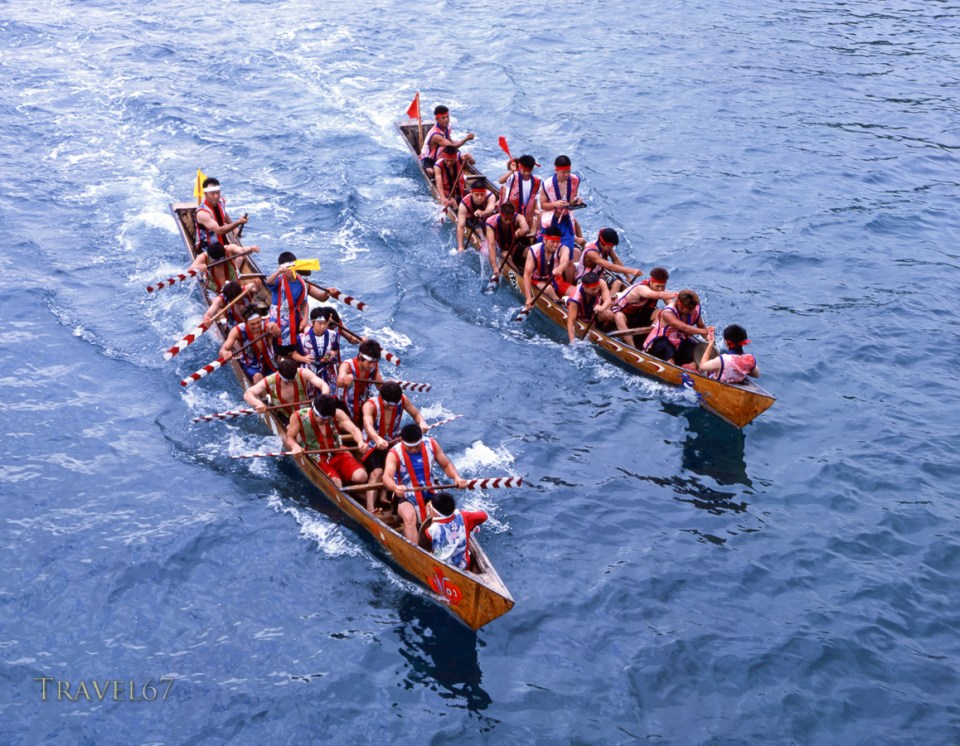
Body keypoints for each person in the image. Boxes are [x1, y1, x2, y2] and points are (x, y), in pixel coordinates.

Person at [382, 424, 467, 543]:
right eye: (409, 447)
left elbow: (446, 465)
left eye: (416, 446)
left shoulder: (431, 444)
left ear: (421, 439)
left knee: (444, 513)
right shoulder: (394, 453)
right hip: (405, 494)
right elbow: (386, 477)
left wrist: (456, 477)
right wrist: (395, 487)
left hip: (430, 490)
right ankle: (413, 550)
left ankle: (449, 542)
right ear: (402, 441)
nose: (413, 450)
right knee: (409, 516)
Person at [360, 381, 429, 512]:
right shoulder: (370, 405)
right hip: (371, 444)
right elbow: (368, 425)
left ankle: (386, 496)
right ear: (381, 397)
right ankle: (370, 509)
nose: (391, 408)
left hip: (392, 442)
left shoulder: (403, 400)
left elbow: (416, 414)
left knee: (405, 466)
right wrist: (377, 439)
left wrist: (422, 422)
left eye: (394, 405)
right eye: (388, 404)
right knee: (378, 472)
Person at [284, 394, 369, 493]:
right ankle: (341, 484)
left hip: (337, 451)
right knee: (336, 484)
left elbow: (354, 430)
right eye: (323, 418)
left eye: (328, 418)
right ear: (314, 412)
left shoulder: (338, 414)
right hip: (317, 457)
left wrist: (360, 441)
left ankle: (348, 485)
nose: (326, 421)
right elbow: (289, 437)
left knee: (362, 476)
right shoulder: (299, 416)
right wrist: (295, 446)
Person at [264, 251, 331, 353]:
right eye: (286, 269)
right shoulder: (278, 280)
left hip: (293, 316)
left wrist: (305, 319)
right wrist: (278, 272)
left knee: (302, 334)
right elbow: (268, 282)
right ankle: (277, 353)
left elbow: (304, 302)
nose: (289, 271)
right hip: (277, 316)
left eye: (291, 268)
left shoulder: (301, 283)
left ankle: (299, 352)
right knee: (276, 334)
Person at [300, 306, 362, 397]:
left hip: (331, 363)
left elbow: (351, 339)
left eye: (327, 324)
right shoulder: (309, 331)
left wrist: (361, 340)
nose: (324, 327)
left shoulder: (336, 326)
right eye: (322, 324)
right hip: (313, 366)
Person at [610, 267, 678, 349]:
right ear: (651, 281)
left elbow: (671, 305)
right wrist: (676, 294)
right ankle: (632, 348)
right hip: (624, 315)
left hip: (639, 316)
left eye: (663, 286)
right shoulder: (641, 288)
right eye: (658, 286)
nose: (660, 289)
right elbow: (655, 295)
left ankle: (649, 341)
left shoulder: (660, 291)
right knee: (618, 316)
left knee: (662, 313)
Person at [419, 492, 488, 571]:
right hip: (464, 565)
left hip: (442, 569)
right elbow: (484, 516)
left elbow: (428, 546)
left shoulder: (430, 531)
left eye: (430, 507)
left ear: (436, 513)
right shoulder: (464, 516)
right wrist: (471, 526)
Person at [642, 289, 711, 367]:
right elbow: (685, 328)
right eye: (689, 310)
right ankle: (671, 368)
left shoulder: (694, 309)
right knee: (668, 349)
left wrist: (710, 341)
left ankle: (693, 368)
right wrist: (704, 331)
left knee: (696, 351)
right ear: (680, 306)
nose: (692, 311)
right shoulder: (668, 313)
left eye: (693, 309)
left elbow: (701, 326)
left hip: (680, 341)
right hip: (660, 341)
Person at [243, 356, 329, 413]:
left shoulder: (303, 373)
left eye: (293, 379)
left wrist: (323, 397)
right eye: (287, 381)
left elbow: (323, 385)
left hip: (304, 413)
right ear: (279, 374)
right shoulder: (270, 380)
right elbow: (248, 393)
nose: (291, 382)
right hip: (284, 416)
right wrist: (258, 403)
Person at [219, 305, 282, 382]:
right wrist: (225, 353)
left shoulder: (267, 325)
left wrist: (275, 328)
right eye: (252, 324)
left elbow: (279, 334)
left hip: (270, 363)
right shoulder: (238, 331)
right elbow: (222, 350)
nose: (256, 326)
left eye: (258, 322)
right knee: (258, 377)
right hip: (251, 366)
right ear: (245, 322)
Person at [539, 155, 585, 252]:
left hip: (566, 220)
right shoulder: (547, 184)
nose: (567, 175)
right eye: (563, 172)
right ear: (556, 170)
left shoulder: (575, 180)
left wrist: (576, 202)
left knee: (567, 250)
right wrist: (554, 204)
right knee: (546, 250)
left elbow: (572, 200)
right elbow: (543, 205)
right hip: (551, 221)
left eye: (569, 171)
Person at [574, 228, 642, 293]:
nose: (611, 248)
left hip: (598, 275)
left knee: (617, 283)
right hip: (585, 278)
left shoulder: (608, 248)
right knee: (598, 288)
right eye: (610, 246)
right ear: (601, 243)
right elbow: (610, 267)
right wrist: (631, 271)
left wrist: (628, 277)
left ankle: (609, 299)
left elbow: (616, 260)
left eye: (612, 246)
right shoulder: (591, 252)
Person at [522, 226, 573, 308]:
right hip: (536, 280)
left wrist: (560, 268)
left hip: (555, 280)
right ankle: (561, 306)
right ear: (545, 240)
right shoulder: (534, 250)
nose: (555, 245)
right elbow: (527, 275)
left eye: (557, 242)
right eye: (552, 242)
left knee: (574, 291)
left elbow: (565, 261)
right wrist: (528, 298)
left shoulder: (563, 249)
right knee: (548, 289)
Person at [337, 339, 384, 426]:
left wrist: (388, 387)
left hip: (363, 403)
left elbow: (380, 387)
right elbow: (339, 382)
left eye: (375, 362)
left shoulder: (374, 367)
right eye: (370, 362)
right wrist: (345, 379)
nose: (372, 365)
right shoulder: (347, 365)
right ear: (361, 357)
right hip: (345, 405)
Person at [420, 105, 475, 178]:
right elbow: (451, 146)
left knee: (468, 159)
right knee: (430, 172)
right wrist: (466, 139)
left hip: (442, 154)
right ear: (437, 119)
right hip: (430, 158)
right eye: (443, 118)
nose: (446, 120)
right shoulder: (436, 135)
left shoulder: (448, 126)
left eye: (447, 117)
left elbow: (449, 141)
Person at [187, 239, 259, 294]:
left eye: (220, 261)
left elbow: (242, 250)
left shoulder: (229, 249)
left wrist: (251, 248)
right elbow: (189, 270)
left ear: (224, 254)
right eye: (214, 262)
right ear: (209, 256)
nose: (218, 264)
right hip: (214, 292)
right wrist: (198, 267)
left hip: (233, 288)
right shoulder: (203, 257)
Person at [484, 201, 529, 284]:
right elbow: (492, 245)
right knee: (506, 255)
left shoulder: (518, 217)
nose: (508, 222)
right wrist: (494, 267)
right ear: (500, 214)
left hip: (513, 246)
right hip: (499, 249)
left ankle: (531, 273)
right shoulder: (490, 222)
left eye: (510, 219)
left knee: (528, 252)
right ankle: (520, 276)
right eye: (506, 219)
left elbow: (526, 227)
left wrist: (522, 231)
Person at [195, 178, 248, 248]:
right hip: (209, 247)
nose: (216, 196)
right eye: (212, 194)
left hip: (223, 241)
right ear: (205, 194)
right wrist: (238, 222)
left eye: (218, 193)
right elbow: (219, 231)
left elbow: (224, 213)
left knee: (240, 253)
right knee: (241, 254)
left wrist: (235, 228)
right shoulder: (202, 213)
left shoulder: (221, 201)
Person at [566, 271, 614, 344]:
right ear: (584, 287)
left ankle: (605, 333)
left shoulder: (601, 283)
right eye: (593, 289)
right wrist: (572, 342)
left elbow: (608, 300)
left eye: (597, 288)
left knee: (609, 315)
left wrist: (602, 307)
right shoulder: (575, 298)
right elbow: (570, 322)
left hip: (594, 312)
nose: (596, 291)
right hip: (580, 315)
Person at [500, 154, 541, 230]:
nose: (526, 173)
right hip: (510, 212)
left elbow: (535, 200)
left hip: (526, 213)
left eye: (529, 171)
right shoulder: (513, 177)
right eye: (524, 171)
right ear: (519, 167)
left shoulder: (536, 182)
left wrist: (531, 215)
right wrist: (511, 171)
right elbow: (501, 181)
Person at [456, 182, 497, 253]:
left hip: (486, 216)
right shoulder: (464, 204)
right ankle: (483, 238)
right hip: (471, 218)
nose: (480, 198)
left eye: (482, 194)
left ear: (485, 193)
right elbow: (460, 226)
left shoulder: (490, 196)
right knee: (474, 225)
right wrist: (460, 246)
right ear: (471, 193)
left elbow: (491, 208)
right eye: (477, 195)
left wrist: (483, 212)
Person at [435, 146, 468, 212]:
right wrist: (443, 198)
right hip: (447, 193)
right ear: (443, 157)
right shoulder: (438, 166)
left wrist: (468, 157)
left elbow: (472, 162)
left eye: (452, 160)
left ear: (455, 158)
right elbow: (439, 184)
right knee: (454, 203)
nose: (449, 163)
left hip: (460, 191)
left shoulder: (458, 158)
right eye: (447, 160)